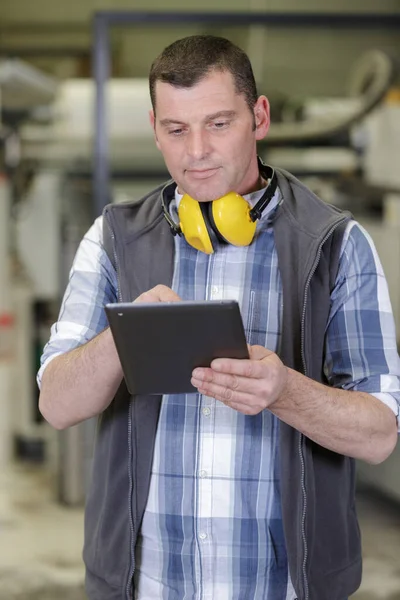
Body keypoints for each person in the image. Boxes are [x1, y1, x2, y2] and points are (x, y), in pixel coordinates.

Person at [37, 35, 400, 600]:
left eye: (219, 124)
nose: (197, 151)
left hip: (284, 588)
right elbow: (56, 405)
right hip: (146, 585)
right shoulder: (113, 239)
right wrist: (124, 335)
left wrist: (285, 390)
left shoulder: (336, 244)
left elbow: (380, 433)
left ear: (259, 117)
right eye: (177, 130)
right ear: (155, 127)